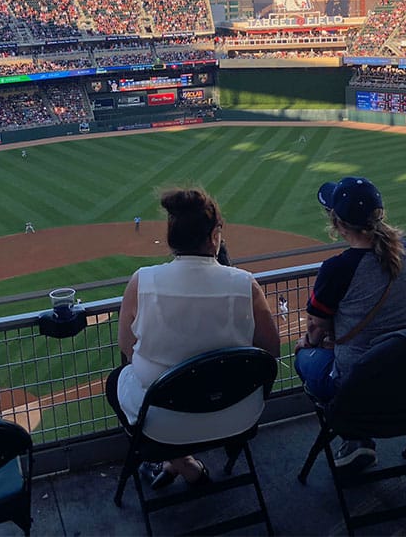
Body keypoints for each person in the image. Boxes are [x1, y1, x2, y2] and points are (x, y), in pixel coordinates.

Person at [107, 188, 280, 489]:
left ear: (172, 237)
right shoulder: (245, 284)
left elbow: (127, 349)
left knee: (116, 381)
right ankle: (183, 463)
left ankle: (181, 462)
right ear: (215, 237)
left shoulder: (142, 280)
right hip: (238, 415)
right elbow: (271, 351)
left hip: (162, 425)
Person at [294, 176, 406, 472]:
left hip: (360, 384)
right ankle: (356, 434)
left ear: (338, 224)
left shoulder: (338, 268)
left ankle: (353, 433)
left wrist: (310, 343)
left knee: (304, 357)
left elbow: (316, 328)